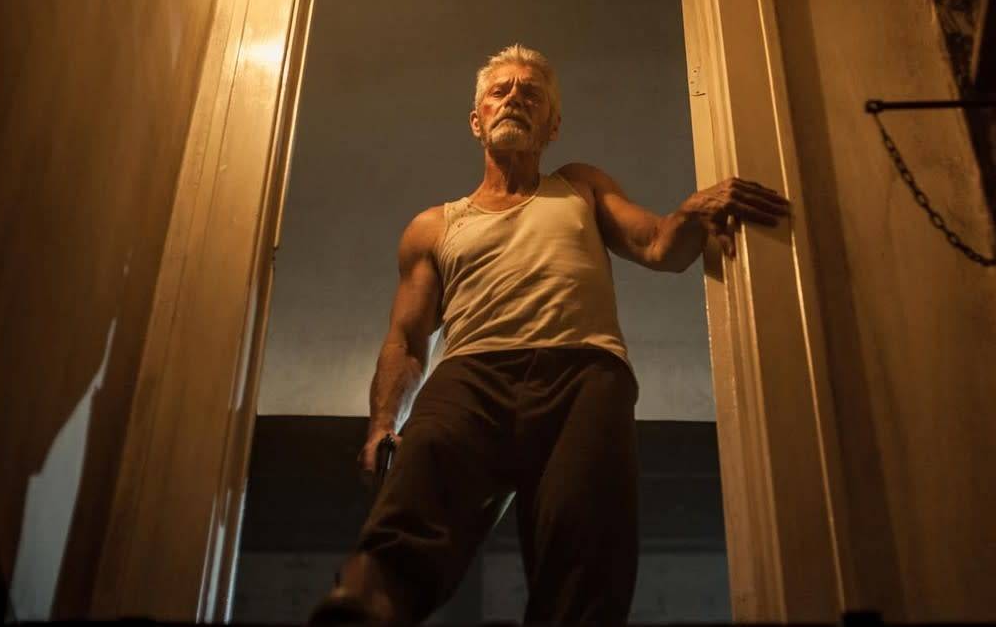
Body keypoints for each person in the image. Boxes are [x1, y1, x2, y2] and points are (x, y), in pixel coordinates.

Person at [309, 44, 789, 625]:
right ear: (477, 120)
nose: (514, 97)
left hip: (583, 378)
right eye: (500, 90)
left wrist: (694, 210)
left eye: (530, 93)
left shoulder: (580, 187)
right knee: (413, 501)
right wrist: (382, 424)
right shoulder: (433, 226)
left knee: (584, 550)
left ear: (552, 125)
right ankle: (365, 611)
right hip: (471, 375)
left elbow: (659, 245)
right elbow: (407, 342)